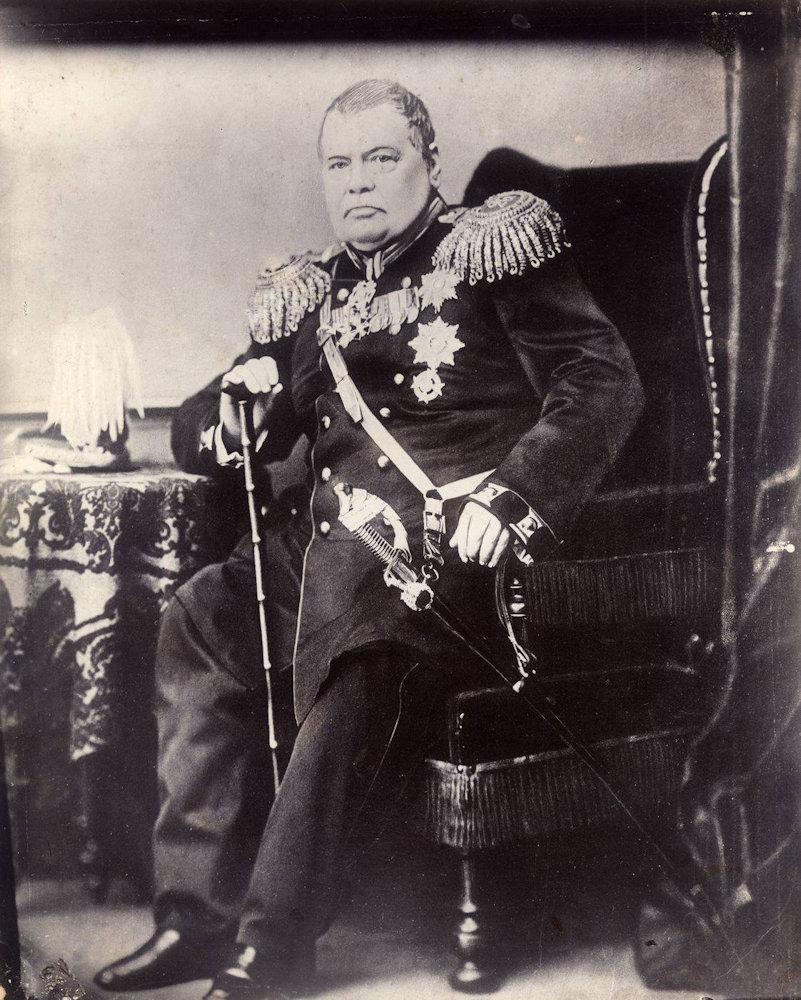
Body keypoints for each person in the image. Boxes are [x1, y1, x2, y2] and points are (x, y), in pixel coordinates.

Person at [95, 78, 644, 1000]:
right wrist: (230, 421)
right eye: (339, 165)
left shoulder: (490, 252)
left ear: (429, 163)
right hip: (327, 546)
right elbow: (211, 414)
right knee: (199, 613)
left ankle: (271, 944)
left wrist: (514, 494)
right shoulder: (311, 295)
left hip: (445, 551)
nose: (356, 182)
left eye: (380, 159)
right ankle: (195, 918)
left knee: (358, 633)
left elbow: (602, 380)